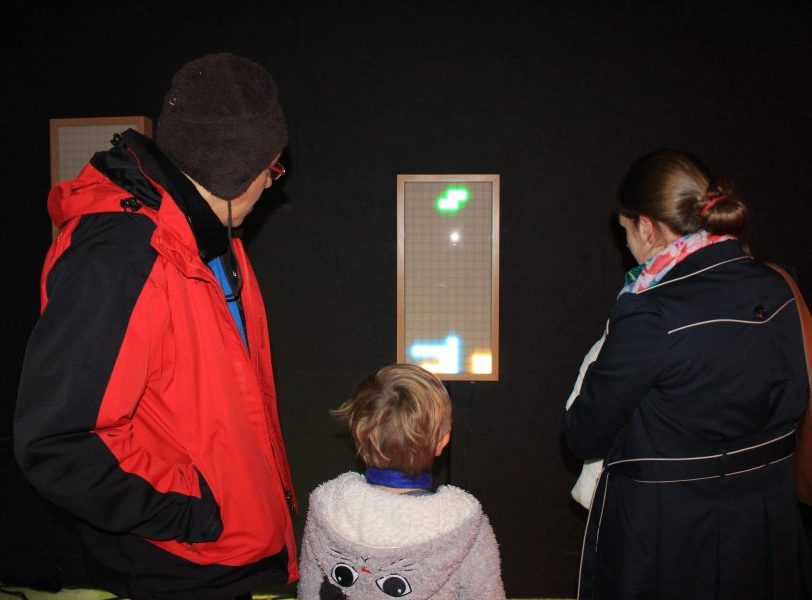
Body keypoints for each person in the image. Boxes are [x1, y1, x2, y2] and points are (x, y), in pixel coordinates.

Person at [14, 52, 298, 599]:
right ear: (245, 168)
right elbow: (59, 441)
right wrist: (198, 514)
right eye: (273, 169)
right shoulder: (121, 256)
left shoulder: (215, 242)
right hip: (177, 566)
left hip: (220, 555)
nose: (272, 185)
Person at [564, 149, 812, 599]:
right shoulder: (777, 284)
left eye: (625, 232)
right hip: (763, 518)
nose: (627, 244)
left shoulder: (648, 312)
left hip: (667, 534)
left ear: (646, 226)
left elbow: (585, 434)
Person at [298, 363, 506, 600]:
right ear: (442, 442)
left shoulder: (326, 511)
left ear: (357, 434)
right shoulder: (467, 527)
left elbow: (310, 591)